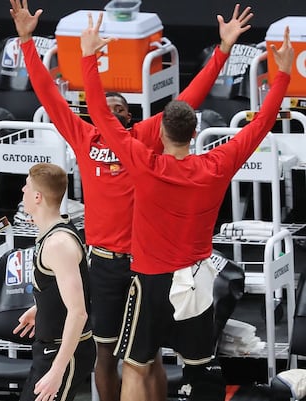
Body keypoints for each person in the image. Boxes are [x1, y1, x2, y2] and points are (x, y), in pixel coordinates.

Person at [8, 1, 253, 400]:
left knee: (147, 358)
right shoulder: (85, 138)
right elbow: (49, 95)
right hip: (103, 265)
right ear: (99, 111)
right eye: (111, 108)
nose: (117, 113)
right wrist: (25, 42)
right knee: (105, 356)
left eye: (124, 109)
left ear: (132, 116)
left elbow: (189, 99)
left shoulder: (142, 141)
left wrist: (222, 50)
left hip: (144, 267)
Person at [80, 11, 293, 401]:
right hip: (197, 280)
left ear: (159, 133)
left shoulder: (144, 163)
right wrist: (282, 75)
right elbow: (261, 123)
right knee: (198, 369)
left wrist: (88, 59)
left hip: (150, 282)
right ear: (196, 132)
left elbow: (100, 115)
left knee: (136, 367)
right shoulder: (217, 165)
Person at [13, 163, 96, 401]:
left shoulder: (58, 244)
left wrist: (57, 371)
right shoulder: (54, 232)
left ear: (37, 197)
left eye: (27, 186)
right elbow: (68, 289)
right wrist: (42, 306)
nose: (22, 190)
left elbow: (79, 313)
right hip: (50, 348)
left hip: (63, 352)